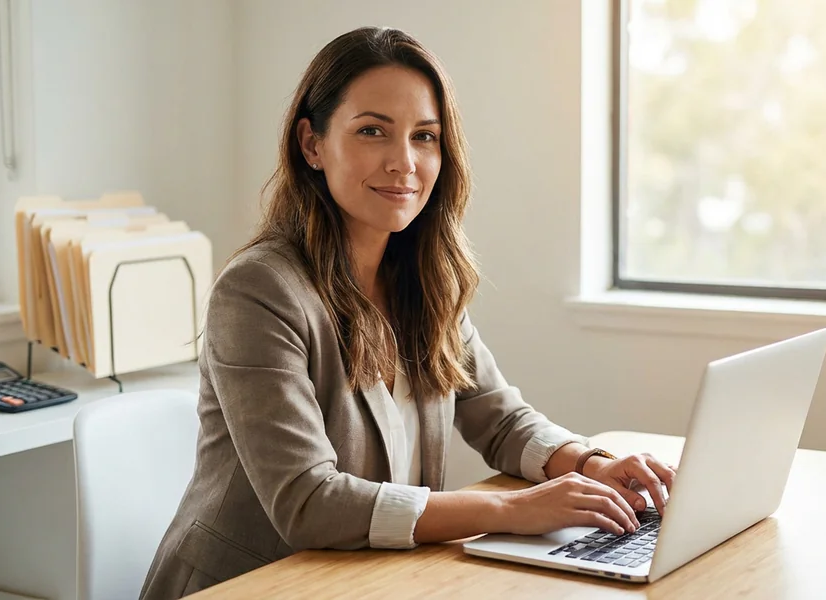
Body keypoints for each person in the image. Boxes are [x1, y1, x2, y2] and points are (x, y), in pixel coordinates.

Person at [139, 26, 676, 599]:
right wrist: (509, 509)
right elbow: (308, 502)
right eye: (373, 131)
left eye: (425, 136)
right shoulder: (258, 292)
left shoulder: (423, 278)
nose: (404, 162)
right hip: (250, 585)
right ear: (311, 144)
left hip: (373, 581)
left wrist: (586, 463)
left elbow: (498, 418)